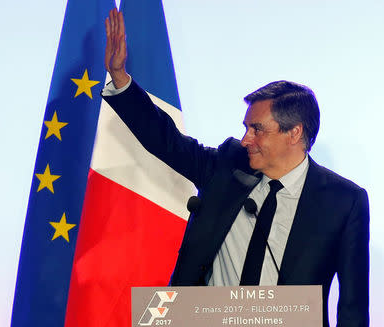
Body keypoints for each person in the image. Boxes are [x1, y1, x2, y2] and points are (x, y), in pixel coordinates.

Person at [102, 8, 370, 327]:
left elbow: (353, 307)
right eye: (246, 128)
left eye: (257, 129)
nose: (246, 139)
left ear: (294, 132)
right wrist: (120, 78)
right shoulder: (227, 165)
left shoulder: (344, 201)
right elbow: (165, 141)